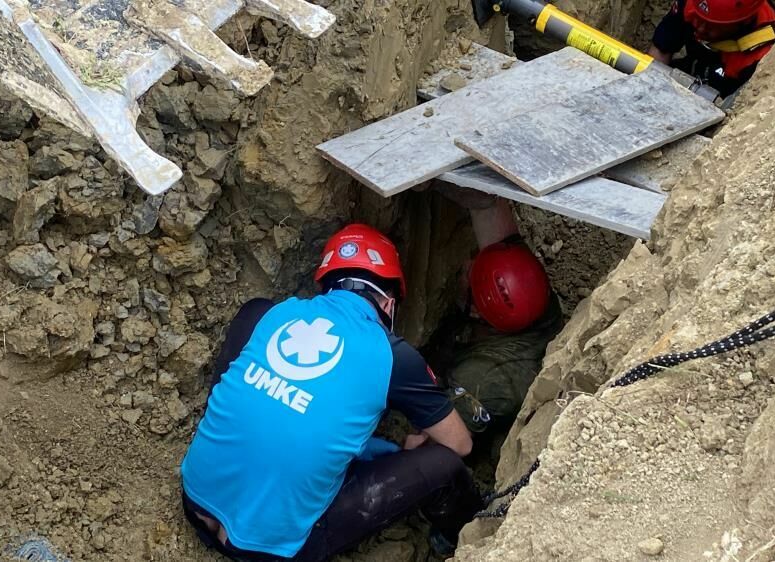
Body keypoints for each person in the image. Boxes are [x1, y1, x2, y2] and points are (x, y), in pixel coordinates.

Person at [179, 223, 482, 561]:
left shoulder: (264, 314)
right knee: (444, 463)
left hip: (195, 499)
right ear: (389, 302)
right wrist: (415, 443)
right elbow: (460, 444)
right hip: (270, 552)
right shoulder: (393, 356)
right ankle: (470, 540)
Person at [431, 194, 563, 441]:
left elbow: (445, 442)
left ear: (475, 311)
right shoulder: (529, 294)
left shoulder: (481, 380)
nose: (469, 261)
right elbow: (486, 204)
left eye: (466, 273)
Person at [648, 0, 775, 98]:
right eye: (699, 18)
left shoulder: (761, 57)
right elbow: (661, 50)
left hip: (721, 94)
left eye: (711, 25)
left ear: (742, 22)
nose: (700, 28)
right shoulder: (695, 6)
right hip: (692, 68)